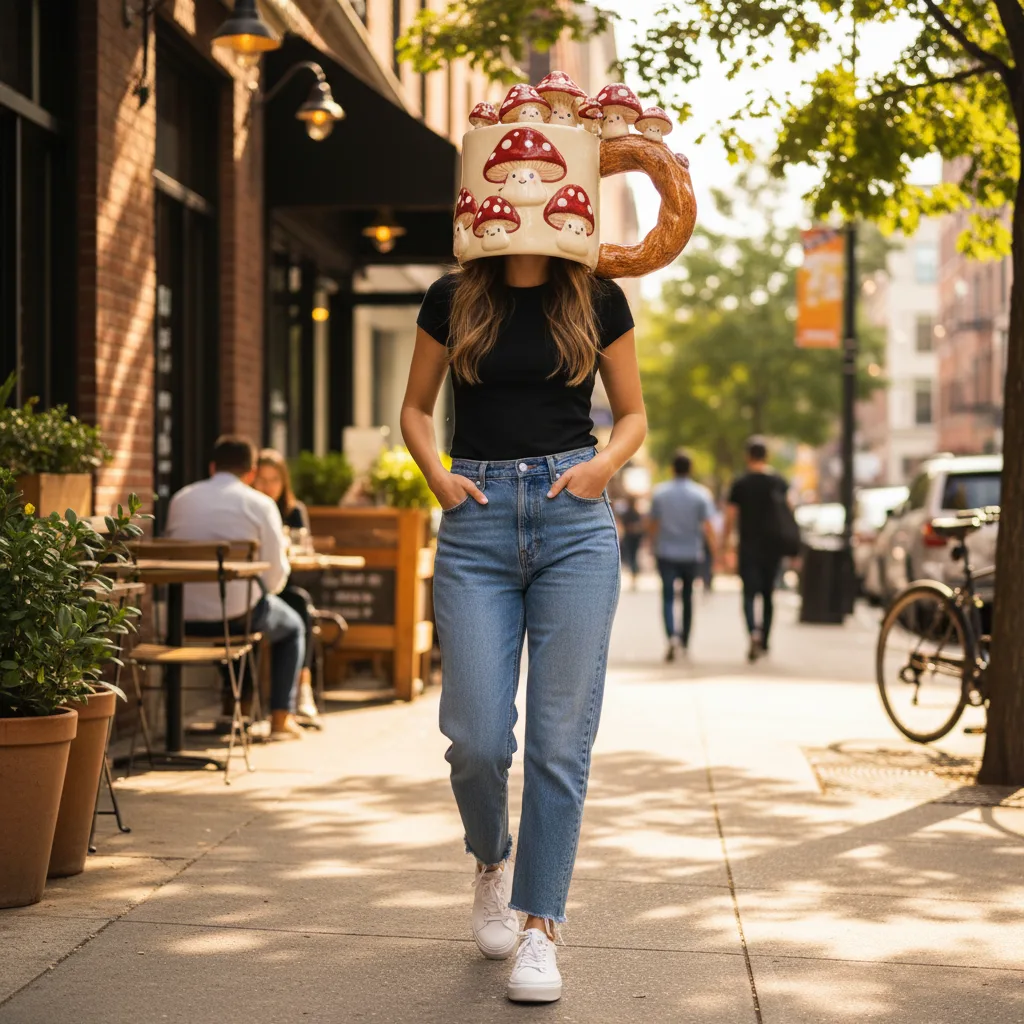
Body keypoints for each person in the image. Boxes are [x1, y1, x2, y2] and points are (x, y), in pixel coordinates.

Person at [402, 253, 645, 1004]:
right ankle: (491, 860)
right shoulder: (453, 296)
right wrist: (436, 476)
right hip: (476, 517)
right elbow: (415, 407)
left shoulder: (596, 296)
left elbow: (633, 414)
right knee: (475, 738)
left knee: (557, 740)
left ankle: (540, 927)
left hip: (574, 516)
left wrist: (603, 467)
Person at [164, 435, 306, 740]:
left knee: (241, 610)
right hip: (238, 618)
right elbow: (275, 577)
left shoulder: (180, 499)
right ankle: (281, 716)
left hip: (182, 617)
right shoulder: (260, 504)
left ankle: (235, 707)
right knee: (292, 625)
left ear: (212, 466)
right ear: (251, 472)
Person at [253, 449, 320, 728]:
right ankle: (243, 700)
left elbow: (305, 549)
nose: (268, 486)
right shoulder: (253, 508)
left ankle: (303, 686)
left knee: (300, 603)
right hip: (255, 589)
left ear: (284, 482)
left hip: (283, 584)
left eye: (274, 479)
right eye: (262, 479)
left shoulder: (294, 510)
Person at [725, 437, 789, 662]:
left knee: (749, 594)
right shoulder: (778, 481)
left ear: (748, 456)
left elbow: (731, 516)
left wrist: (726, 546)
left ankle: (753, 632)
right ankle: (765, 639)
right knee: (769, 594)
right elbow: (788, 511)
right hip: (773, 546)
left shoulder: (740, 482)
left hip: (748, 546)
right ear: (767, 456)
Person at [648, 451, 717, 660]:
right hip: (691, 553)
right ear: (691, 469)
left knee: (668, 597)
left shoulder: (660, 493)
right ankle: (685, 641)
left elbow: (653, 524)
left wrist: (652, 544)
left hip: (666, 553)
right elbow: (708, 526)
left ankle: (671, 637)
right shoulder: (701, 494)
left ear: (672, 468)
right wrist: (716, 551)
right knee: (687, 597)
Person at [617, 496, 645, 589]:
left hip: (633, 538)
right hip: (631, 538)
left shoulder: (634, 513)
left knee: (633, 557)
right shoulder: (631, 514)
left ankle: (634, 577)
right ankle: (634, 577)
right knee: (632, 557)